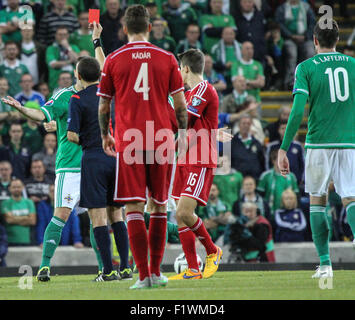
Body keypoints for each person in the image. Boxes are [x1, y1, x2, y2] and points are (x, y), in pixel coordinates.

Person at [97, 5, 188, 289]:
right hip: (160, 138)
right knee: (160, 205)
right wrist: (183, 133)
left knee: (133, 206)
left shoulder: (113, 59)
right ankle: (157, 272)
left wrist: (105, 134)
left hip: (130, 139)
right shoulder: (167, 58)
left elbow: (103, 105)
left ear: (124, 29)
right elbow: (181, 105)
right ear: (149, 27)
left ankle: (143, 275)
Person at [278, 20, 355, 279]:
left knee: (318, 201)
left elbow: (298, 111)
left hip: (319, 142)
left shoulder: (306, 67)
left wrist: (283, 148)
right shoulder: (353, 64)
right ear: (337, 40)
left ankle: (325, 265)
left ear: (314, 40)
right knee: (351, 198)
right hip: (350, 141)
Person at [1, 43, 84, 281]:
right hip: (69, 166)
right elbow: (42, 115)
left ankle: (106, 269)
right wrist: (23, 108)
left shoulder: (98, 94)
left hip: (93, 165)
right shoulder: (63, 96)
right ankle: (45, 265)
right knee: (61, 215)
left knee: (103, 217)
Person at [67, 56, 131, 281]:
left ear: (79, 76)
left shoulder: (76, 98)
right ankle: (125, 267)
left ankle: (107, 271)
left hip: (93, 156)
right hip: (117, 157)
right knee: (117, 214)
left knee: (98, 217)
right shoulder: (112, 94)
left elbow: (72, 135)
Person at [169, 49, 222, 281]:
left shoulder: (203, 89)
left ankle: (212, 250)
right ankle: (192, 269)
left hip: (199, 158)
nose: (179, 72)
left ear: (186, 69)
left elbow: (185, 119)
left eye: (180, 68)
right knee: (180, 217)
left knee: (184, 212)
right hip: (184, 157)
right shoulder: (189, 93)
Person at [275, 0, 316, 90]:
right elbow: (279, 24)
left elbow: (312, 23)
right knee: (292, 52)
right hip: (288, 38)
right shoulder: (282, 8)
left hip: (305, 38)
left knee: (310, 52)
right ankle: (290, 82)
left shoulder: (306, 7)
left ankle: (310, 81)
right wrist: (290, 35)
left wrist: (306, 36)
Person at [258, 149, 299, 218]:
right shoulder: (266, 176)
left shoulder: (291, 176)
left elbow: (296, 195)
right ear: (273, 161)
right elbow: (260, 195)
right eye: (279, 160)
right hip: (270, 213)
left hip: (288, 214)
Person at [265, 120, 304, 184]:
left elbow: (302, 164)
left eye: (287, 128)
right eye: (282, 128)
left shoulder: (298, 146)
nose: (284, 130)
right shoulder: (272, 146)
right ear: (278, 130)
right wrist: (270, 179)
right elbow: (267, 164)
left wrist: (301, 179)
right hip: (276, 181)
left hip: (295, 181)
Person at [0, 179, 36, 246]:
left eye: (18, 187)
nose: (16, 189)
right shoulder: (5, 203)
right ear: (9, 188)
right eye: (14, 187)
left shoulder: (29, 202)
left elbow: (32, 221)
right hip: (10, 241)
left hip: (27, 240)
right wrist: (26, 217)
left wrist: (15, 218)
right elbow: (9, 220)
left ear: (23, 187)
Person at [230, 114, 265, 180]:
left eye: (248, 123)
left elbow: (262, 161)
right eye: (243, 123)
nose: (246, 126)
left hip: (255, 179)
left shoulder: (257, 143)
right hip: (238, 179)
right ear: (239, 125)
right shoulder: (231, 142)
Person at [46, 27, 80, 92]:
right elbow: (53, 64)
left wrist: (67, 47)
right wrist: (70, 61)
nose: (62, 37)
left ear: (68, 36)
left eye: (64, 34)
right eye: (60, 34)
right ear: (56, 36)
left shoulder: (73, 47)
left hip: (74, 84)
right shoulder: (51, 48)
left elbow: (78, 62)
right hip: (55, 85)